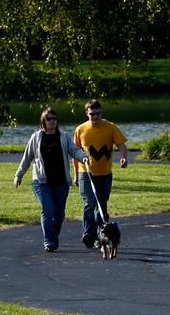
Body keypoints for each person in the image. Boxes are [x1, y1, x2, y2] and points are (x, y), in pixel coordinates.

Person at [14, 107, 90, 252]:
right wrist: (19, 175)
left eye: (54, 118)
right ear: (43, 121)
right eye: (49, 119)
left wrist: (83, 157)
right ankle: (49, 241)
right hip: (41, 182)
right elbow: (27, 157)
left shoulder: (64, 136)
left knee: (59, 213)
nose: (52, 121)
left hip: (61, 181)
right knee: (47, 210)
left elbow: (73, 150)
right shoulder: (36, 137)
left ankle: (54, 236)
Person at [73, 99, 128, 249]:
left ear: (101, 113)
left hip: (105, 174)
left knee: (101, 206)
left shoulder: (110, 127)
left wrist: (124, 157)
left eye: (98, 114)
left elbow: (121, 144)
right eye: (92, 114)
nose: (95, 117)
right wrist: (76, 174)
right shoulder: (80, 129)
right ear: (87, 113)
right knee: (88, 204)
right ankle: (88, 235)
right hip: (86, 174)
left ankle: (100, 236)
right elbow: (75, 153)